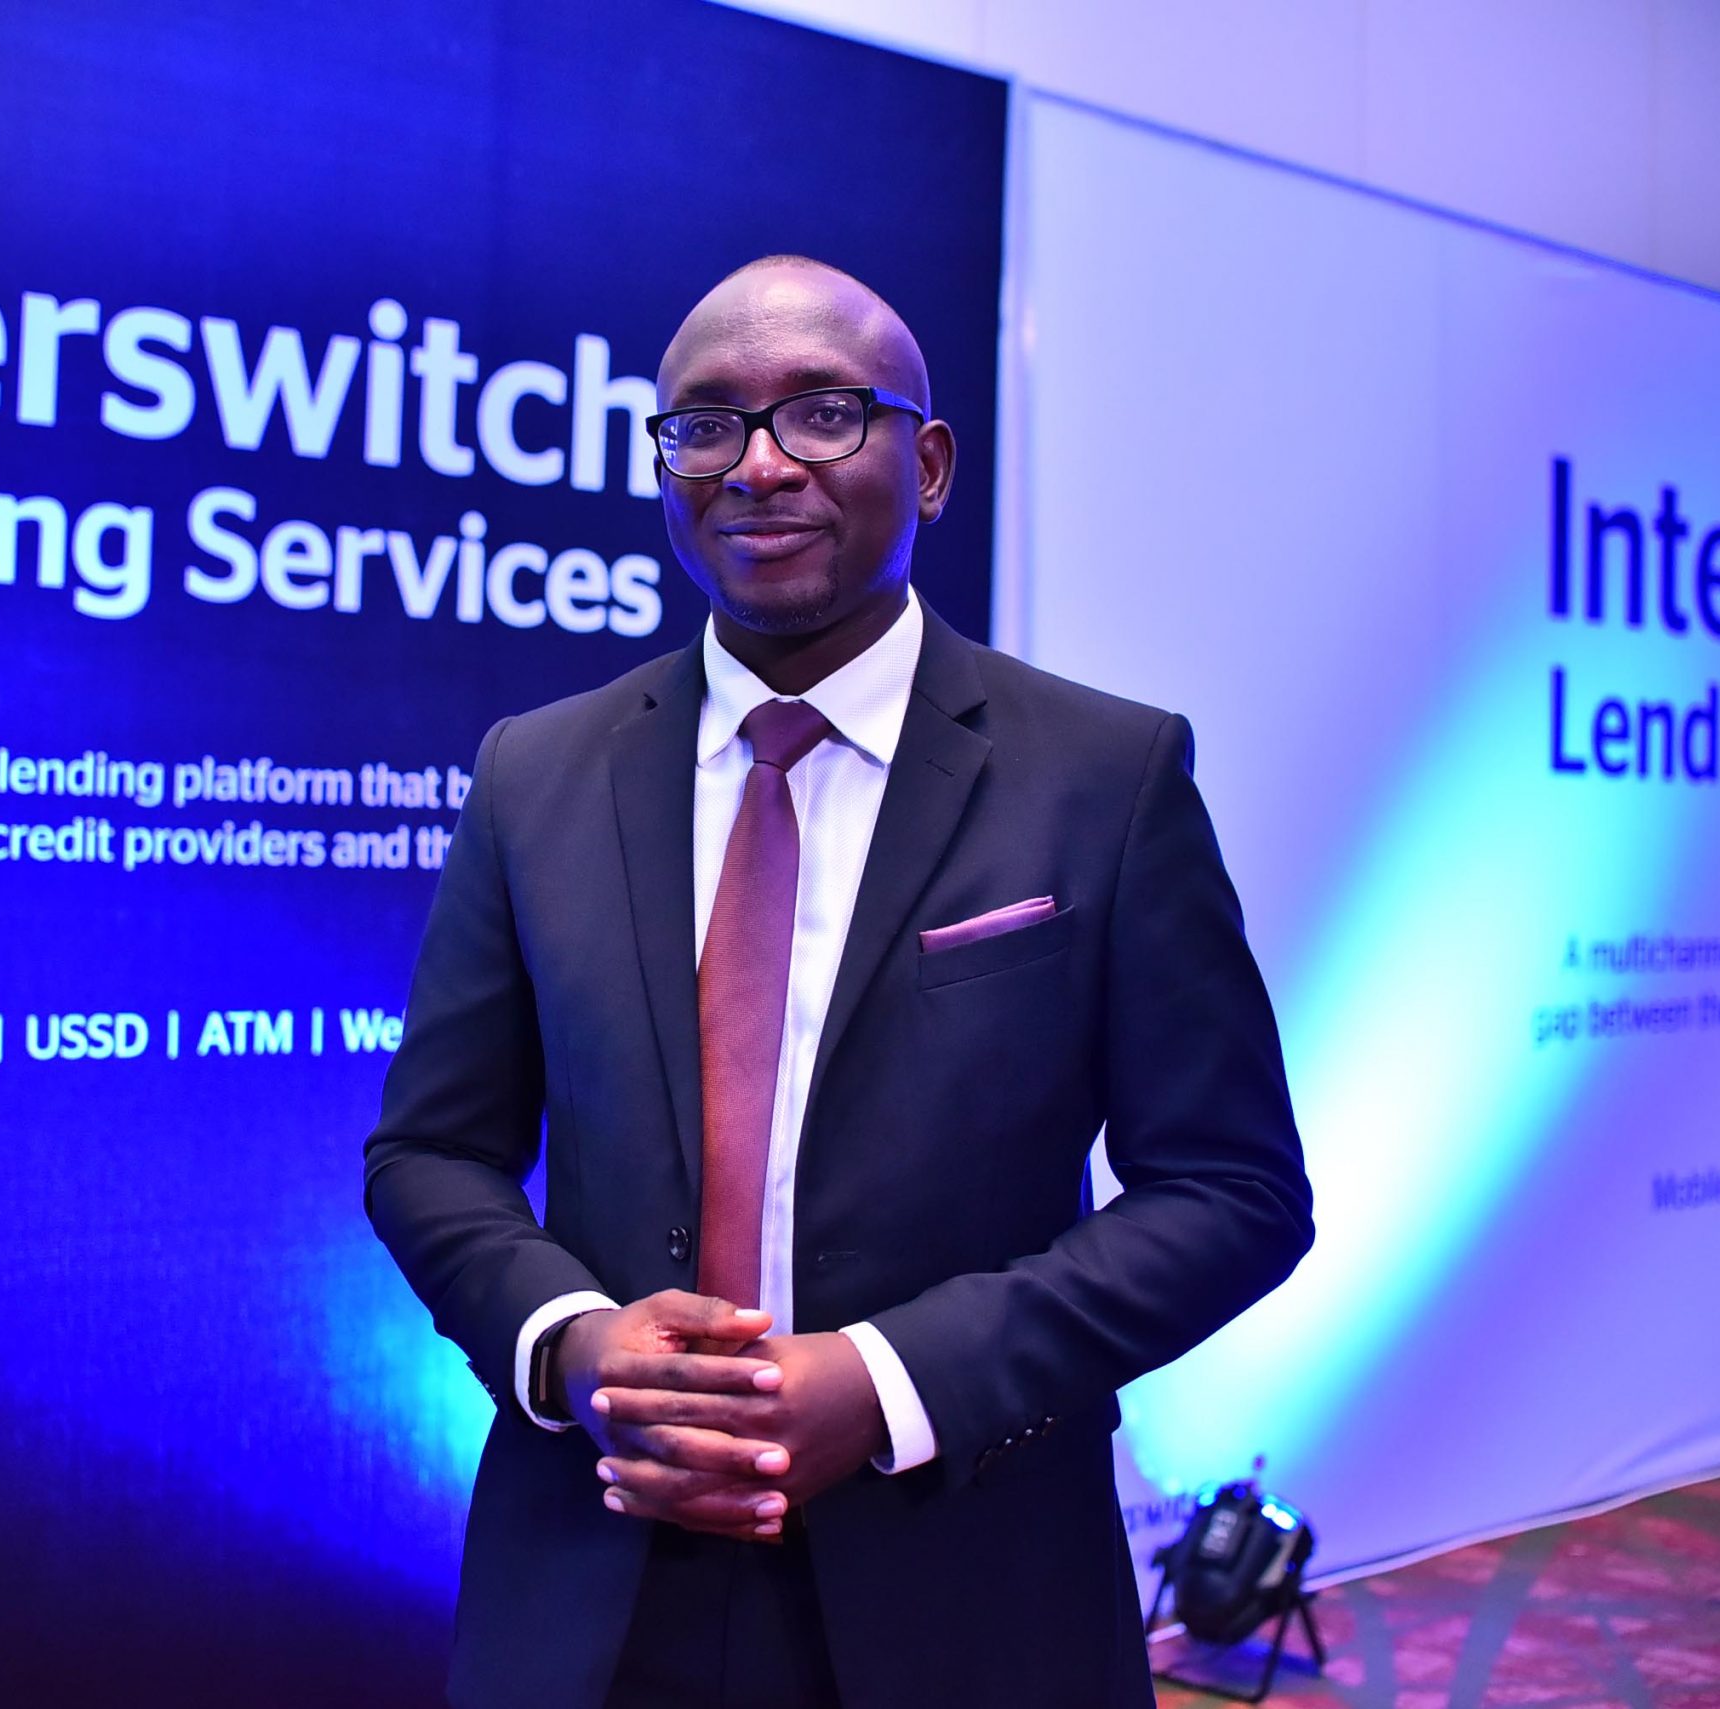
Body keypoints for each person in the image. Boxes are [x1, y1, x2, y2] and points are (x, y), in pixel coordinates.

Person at [364, 256, 1312, 1709]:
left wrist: (888, 1381)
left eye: (821, 414)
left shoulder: (1106, 779)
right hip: (597, 1578)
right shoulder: (536, 773)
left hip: (969, 1583)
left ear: (927, 466)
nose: (757, 466)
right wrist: (571, 1344)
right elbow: (430, 1152)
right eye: (705, 425)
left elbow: (1232, 1191)